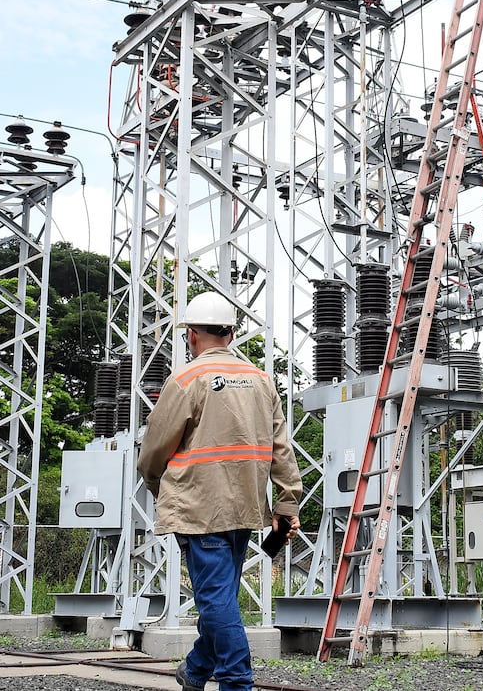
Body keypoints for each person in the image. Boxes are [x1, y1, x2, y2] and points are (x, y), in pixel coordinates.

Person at [137, 292, 302, 691]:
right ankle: (195, 670)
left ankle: (235, 682)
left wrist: (163, 489)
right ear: (230, 332)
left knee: (216, 602)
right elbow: (281, 448)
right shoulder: (262, 381)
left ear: (191, 334)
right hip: (245, 507)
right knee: (221, 598)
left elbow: (153, 453)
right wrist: (286, 503)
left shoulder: (185, 380)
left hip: (198, 508)